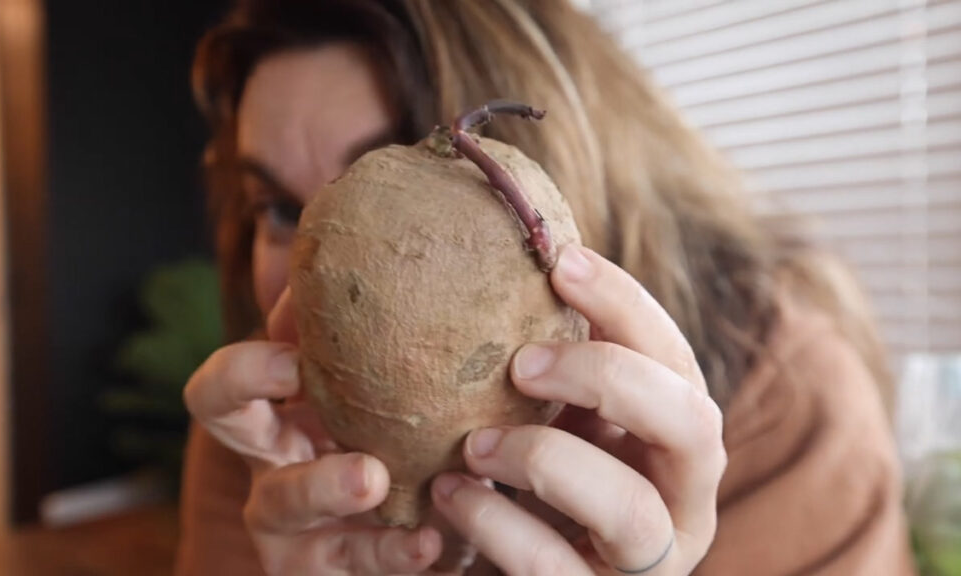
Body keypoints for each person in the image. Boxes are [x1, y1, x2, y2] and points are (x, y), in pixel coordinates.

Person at [177, 1, 916, 574]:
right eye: (277, 208)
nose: (317, 263)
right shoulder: (267, 436)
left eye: (382, 206)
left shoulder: (788, 397)